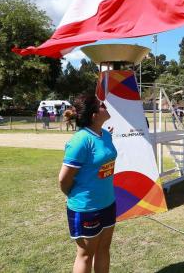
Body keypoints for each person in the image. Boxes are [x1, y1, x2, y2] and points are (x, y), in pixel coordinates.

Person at [58, 94, 117, 273]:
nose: (105, 106)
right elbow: (63, 180)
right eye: (101, 105)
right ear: (94, 115)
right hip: (85, 208)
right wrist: (75, 197)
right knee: (85, 254)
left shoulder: (106, 135)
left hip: (108, 202)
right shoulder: (80, 141)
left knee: (104, 249)